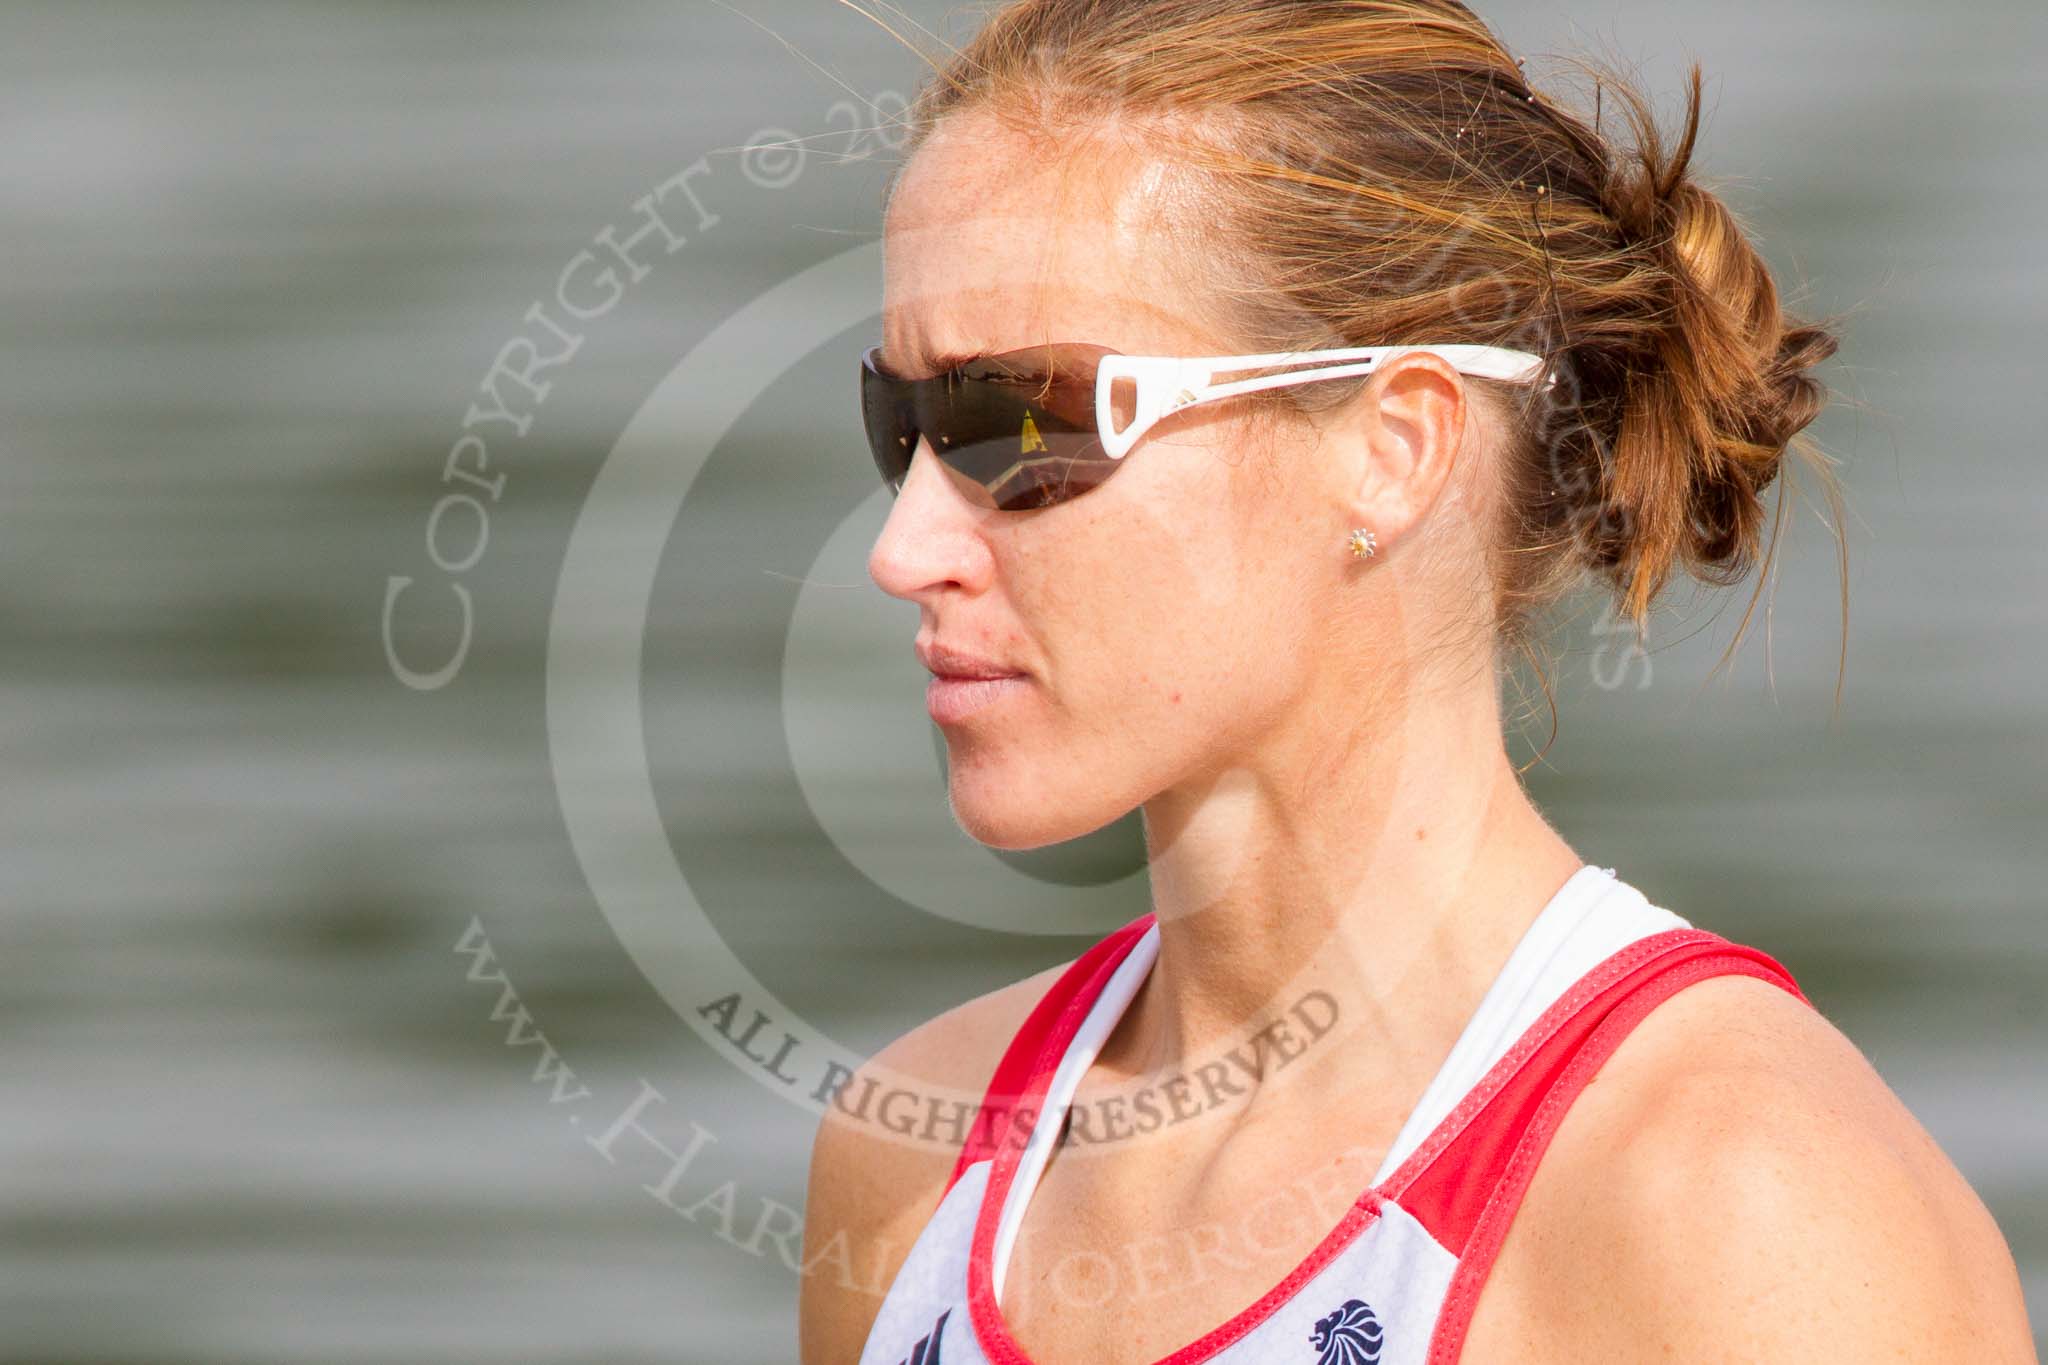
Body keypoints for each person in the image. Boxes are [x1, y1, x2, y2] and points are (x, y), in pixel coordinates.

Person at [802, 2, 2037, 1362]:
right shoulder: (908, 1152)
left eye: (1021, 425)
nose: (902, 549)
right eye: (900, 422)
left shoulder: (1743, 1208)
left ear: (1395, 448)